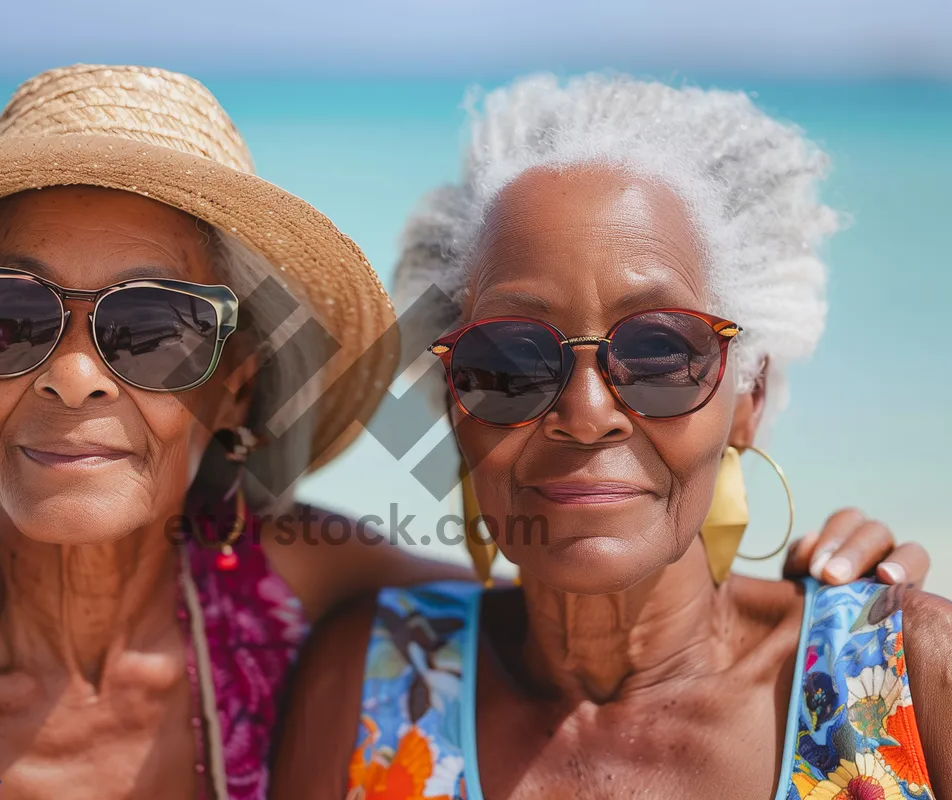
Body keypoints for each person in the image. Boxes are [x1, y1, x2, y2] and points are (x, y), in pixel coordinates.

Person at [0, 65, 927, 800]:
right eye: (7, 319)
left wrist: (852, 611)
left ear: (236, 384)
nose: (71, 376)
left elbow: (584, 575)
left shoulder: (298, 584)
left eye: (151, 329)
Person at [271, 75, 950, 799]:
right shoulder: (369, 686)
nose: (588, 411)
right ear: (453, 404)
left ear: (747, 397)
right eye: (510, 362)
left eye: (661, 351)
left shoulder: (909, 677)